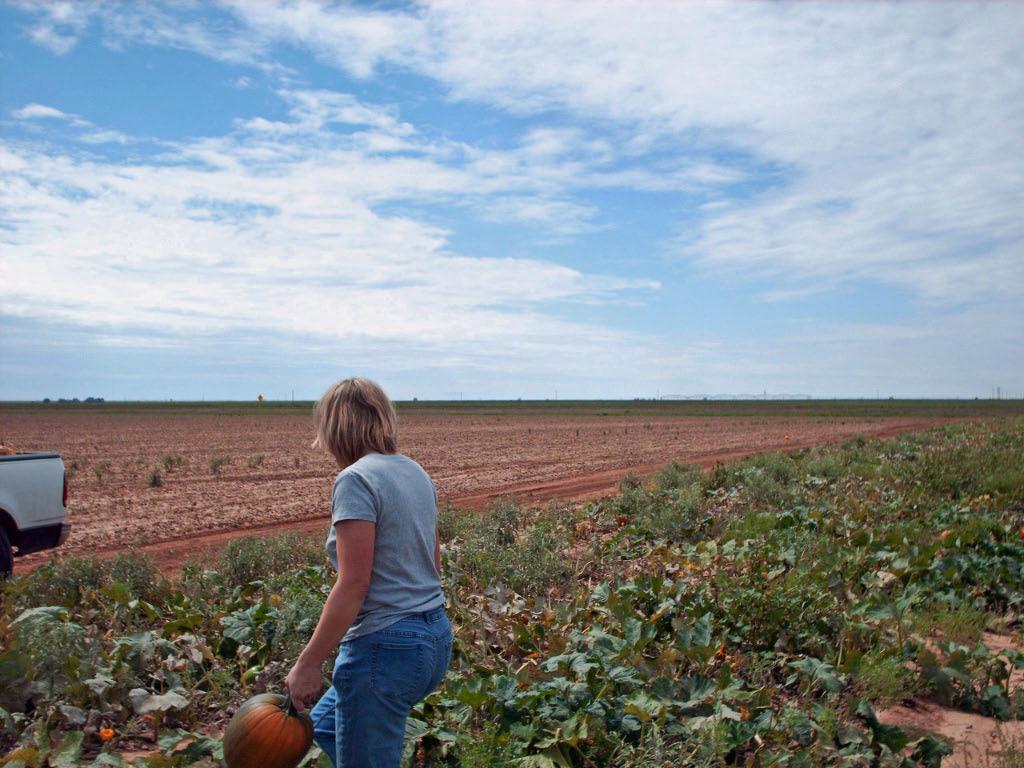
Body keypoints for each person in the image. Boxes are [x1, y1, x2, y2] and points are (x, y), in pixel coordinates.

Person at [285, 378, 451, 768]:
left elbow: (355, 583)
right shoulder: (415, 473)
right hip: (434, 639)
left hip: (385, 649)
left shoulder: (355, 479)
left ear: (335, 428)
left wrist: (308, 665)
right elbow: (433, 564)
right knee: (325, 726)